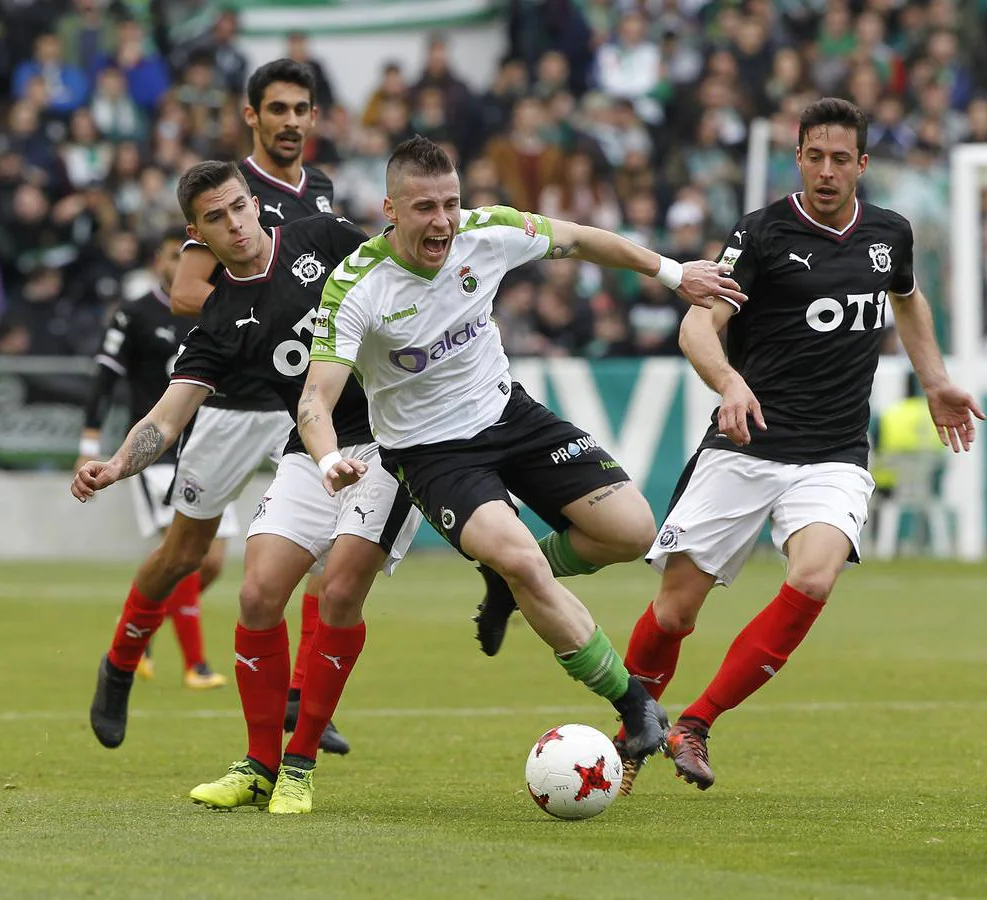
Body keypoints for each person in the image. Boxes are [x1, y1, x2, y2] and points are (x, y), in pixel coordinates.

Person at [296, 135, 748, 775]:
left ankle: (507, 584)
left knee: (632, 531)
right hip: (431, 454)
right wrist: (325, 460)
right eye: (425, 208)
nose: (443, 222)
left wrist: (675, 274)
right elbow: (315, 398)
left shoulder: (489, 231)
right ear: (390, 210)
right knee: (523, 561)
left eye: (451, 203)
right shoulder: (356, 287)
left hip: (509, 413)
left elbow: (587, 239)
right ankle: (635, 703)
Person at [613, 97, 985, 796]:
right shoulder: (760, 234)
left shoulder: (888, 233)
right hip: (746, 443)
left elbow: (906, 297)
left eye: (840, 159)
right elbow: (698, 328)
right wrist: (727, 382)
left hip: (835, 450)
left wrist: (936, 381)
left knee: (815, 576)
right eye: (814, 156)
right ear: (799, 157)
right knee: (674, 613)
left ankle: (697, 722)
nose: (826, 170)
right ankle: (635, 729)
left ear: (862, 165)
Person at [73, 160, 422, 814]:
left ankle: (301, 741)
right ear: (196, 234)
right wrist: (116, 463)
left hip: (379, 435)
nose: (236, 225)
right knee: (212, 569)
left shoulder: (320, 234)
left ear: (253, 201)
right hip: (276, 423)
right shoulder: (219, 322)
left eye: (240, 207)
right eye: (217, 218)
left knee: (335, 580)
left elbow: (401, 270)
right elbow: (168, 414)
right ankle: (125, 665)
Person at [165, 58, 350, 754]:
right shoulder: (228, 195)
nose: (293, 121)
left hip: (305, 400)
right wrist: (248, 320)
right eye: (279, 109)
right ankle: (122, 661)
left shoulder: (322, 193)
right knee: (185, 553)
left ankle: (305, 696)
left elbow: (355, 274)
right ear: (253, 115)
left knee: (325, 551)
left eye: (303, 108)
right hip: (234, 397)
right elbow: (187, 292)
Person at [76, 229, 230, 690]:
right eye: (169, 257)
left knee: (214, 560)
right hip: (156, 453)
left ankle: (139, 635)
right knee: (180, 552)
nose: (176, 266)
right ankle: (196, 665)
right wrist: (90, 444)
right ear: (158, 260)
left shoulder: (212, 307)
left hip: (206, 448)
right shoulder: (136, 312)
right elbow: (105, 378)